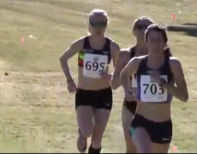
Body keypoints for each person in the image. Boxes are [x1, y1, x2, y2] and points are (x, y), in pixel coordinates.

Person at [120, 24, 189, 153]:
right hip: (140, 122)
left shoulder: (173, 64)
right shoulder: (137, 62)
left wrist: (164, 84)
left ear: (165, 43)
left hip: (163, 125)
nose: (155, 44)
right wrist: (127, 90)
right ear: (146, 42)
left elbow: (184, 96)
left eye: (159, 40)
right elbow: (123, 74)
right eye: (151, 40)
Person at [60, 9, 120, 153]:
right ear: (89, 25)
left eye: (102, 24)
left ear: (106, 25)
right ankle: (82, 133)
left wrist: (111, 76)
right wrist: (69, 80)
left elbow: (119, 73)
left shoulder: (112, 47)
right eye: (94, 23)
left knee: (97, 140)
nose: (98, 27)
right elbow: (63, 59)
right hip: (84, 94)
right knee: (87, 131)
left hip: (104, 95)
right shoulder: (82, 43)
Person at [111, 16, 154, 153]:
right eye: (140, 27)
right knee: (132, 148)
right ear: (134, 31)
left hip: (154, 108)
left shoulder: (161, 56)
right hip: (131, 107)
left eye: (147, 27)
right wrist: (127, 87)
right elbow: (114, 84)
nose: (143, 30)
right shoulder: (125, 55)